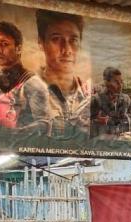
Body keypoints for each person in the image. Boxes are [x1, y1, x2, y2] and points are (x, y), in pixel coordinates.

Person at [35, 9, 91, 138]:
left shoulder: (92, 97)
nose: (67, 50)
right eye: (56, 39)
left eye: (73, 40)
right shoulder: (25, 94)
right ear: (41, 43)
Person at [91, 66, 131, 137]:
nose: (120, 85)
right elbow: (87, 123)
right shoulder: (96, 100)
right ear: (106, 82)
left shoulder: (126, 99)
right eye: (116, 82)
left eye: (121, 82)